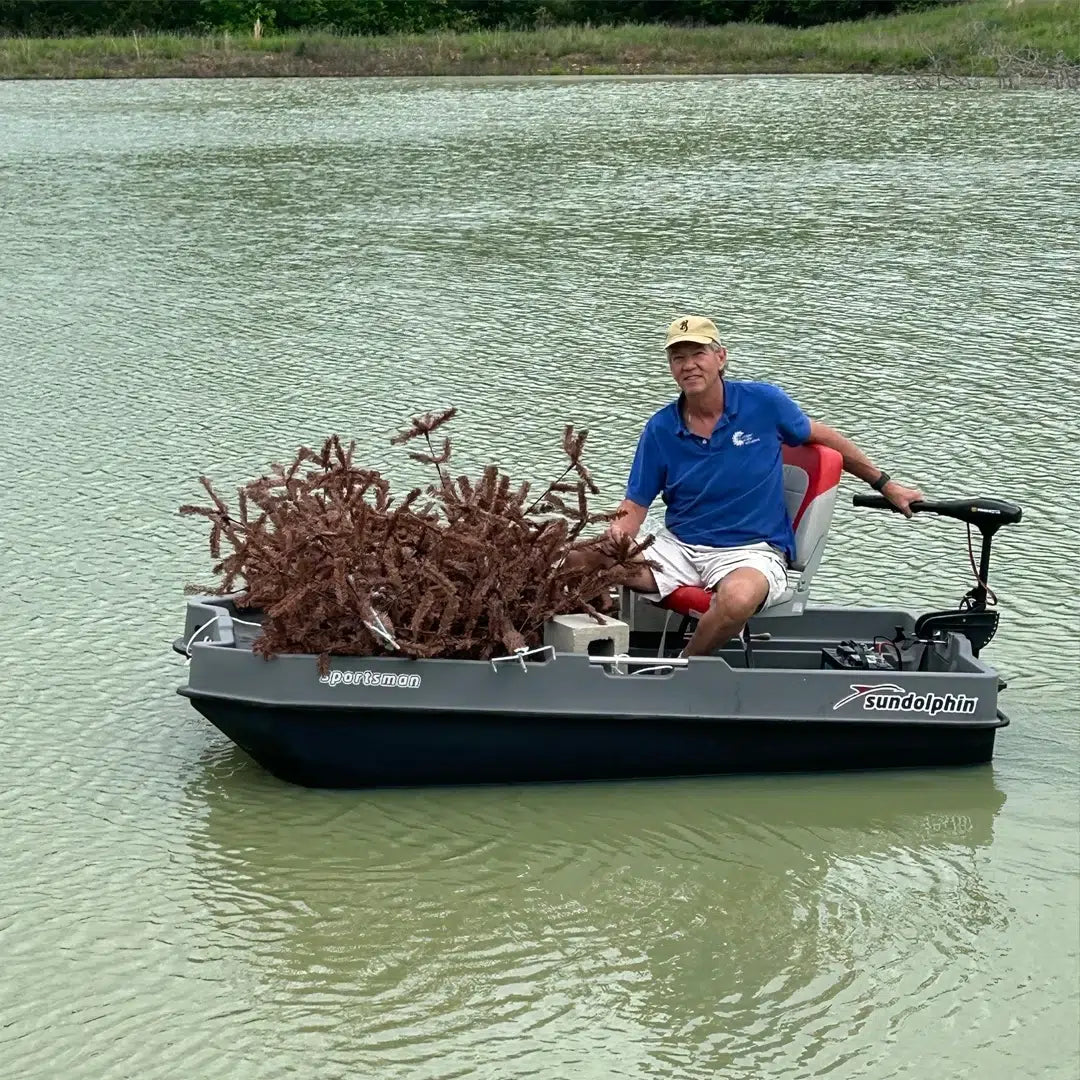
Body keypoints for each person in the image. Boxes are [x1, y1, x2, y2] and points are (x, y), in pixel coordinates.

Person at [594, 315, 923, 657]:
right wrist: (616, 533)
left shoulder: (764, 403)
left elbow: (828, 438)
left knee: (737, 599)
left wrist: (886, 485)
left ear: (720, 357)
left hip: (751, 551)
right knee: (575, 559)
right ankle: (570, 650)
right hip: (678, 548)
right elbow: (634, 506)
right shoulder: (661, 428)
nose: (688, 365)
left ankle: (684, 671)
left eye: (698, 354)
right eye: (678, 358)